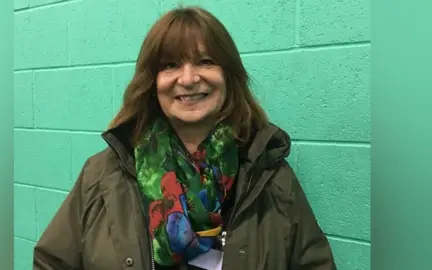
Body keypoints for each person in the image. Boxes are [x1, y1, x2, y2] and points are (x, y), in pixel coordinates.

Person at [33, 5, 336, 270]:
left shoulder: (269, 176)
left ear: (229, 76)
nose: (189, 79)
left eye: (206, 61)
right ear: (152, 82)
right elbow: (51, 263)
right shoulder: (101, 175)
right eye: (170, 65)